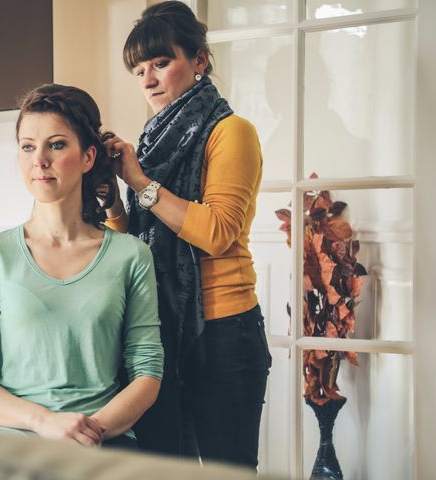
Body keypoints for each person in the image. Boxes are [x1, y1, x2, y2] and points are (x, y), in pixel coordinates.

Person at [103, 1, 272, 469]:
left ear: (199, 60)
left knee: (227, 471)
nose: (149, 80)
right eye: (139, 71)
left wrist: (139, 182)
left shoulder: (231, 131)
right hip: (163, 328)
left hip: (224, 331)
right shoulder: (155, 141)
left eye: (161, 62)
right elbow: (136, 245)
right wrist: (116, 201)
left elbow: (217, 232)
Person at [0, 84, 164, 450]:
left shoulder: (131, 256)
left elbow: (147, 372)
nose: (39, 160)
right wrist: (45, 422)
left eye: (57, 144)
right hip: (8, 446)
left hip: (101, 441)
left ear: (88, 157)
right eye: (28, 146)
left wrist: (85, 431)